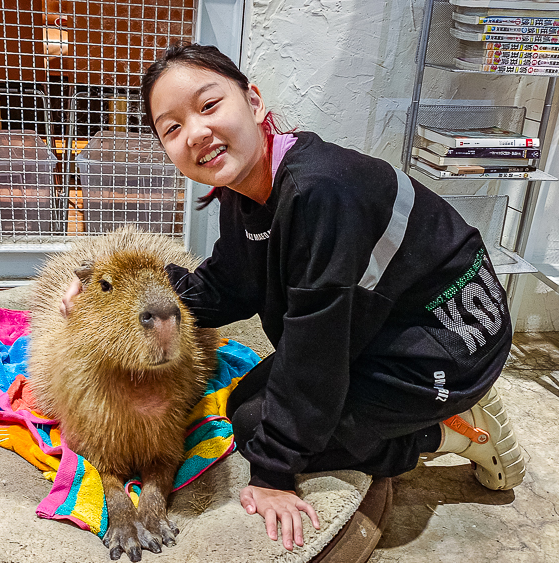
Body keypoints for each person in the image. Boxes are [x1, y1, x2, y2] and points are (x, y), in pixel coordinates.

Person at [62, 43, 525, 552]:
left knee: (264, 433)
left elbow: (316, 348)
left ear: (254, 103)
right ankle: (415, 414)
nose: (195, 132)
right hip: (380, 325)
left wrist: (275, 475)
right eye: (171, 128)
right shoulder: (247, 192)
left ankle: (450, 431)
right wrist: (114, 300)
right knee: (244, 406)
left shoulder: (320, 190)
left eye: (209, 105)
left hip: (448, 343)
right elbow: (226, 285)